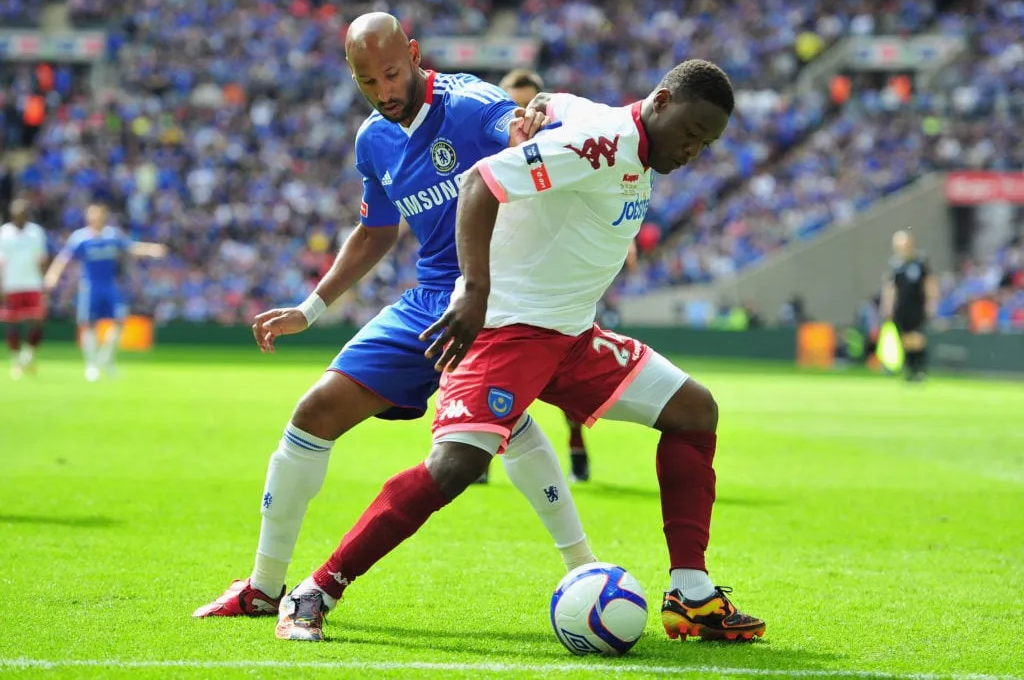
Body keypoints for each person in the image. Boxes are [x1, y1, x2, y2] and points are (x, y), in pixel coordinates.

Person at [276, 59, 766, 644]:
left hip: (572, 338)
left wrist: (538, 108)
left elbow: (558, 101)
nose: (693, 150)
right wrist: (475, 292)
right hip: (507, 330)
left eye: (705, 143)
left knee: (695, 412)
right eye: (690, 132)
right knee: (454, 468)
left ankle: (690, 594)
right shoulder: (601, 144)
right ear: (661, 101)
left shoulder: (615, 131)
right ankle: (316, 589)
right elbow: (481, 182)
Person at [193, 13, 596, 620]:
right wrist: (311, 308)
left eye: (391, 73)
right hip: (429, 300)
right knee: (314, 413)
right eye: (367, 81)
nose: (384, 91)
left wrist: (530, 123)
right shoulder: (372, 140)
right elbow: (375, 231)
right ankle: (262, 587)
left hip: (494, 299)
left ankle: (585, 574)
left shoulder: (469, 103)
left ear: (413, 54)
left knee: (504, 427)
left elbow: (513, 126)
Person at [487, 67, 640, 484]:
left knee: (565, 368)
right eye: (509, 104)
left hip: (559, 279)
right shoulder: (491, 146)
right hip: (507, 276)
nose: (518, 112)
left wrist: (621, 238)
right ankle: (478, 454)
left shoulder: (567, 150)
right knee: (490, 367)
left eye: (525, 103)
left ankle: (576, 446)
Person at [43, 203, 166, 381]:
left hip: (110, 285)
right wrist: (52, 275)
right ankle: (91, 365)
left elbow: (130, 247)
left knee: (120, 321)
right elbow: (64, 258)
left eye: (99, 214)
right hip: (90, 286)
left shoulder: (112, 235)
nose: (96, 218)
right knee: (89, 324)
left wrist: (151, 249)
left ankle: (106, 358)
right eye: (92, 215)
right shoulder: (80, 238)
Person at [881, 230, 938, 381]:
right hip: (901, 307)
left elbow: (929, 283)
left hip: (917, 305)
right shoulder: (896, 265)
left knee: (917, 337)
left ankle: (919, 368)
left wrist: (931, 302)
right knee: (905, 338)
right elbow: (891, 287)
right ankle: (910, 369)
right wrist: (888, 306)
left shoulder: (920, 262)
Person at [0, 199, 48, 379]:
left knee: (38, 320)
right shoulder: (4, 233)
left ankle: (27, 355)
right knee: (12, 323)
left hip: (32, 284)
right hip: (12, 285)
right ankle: (16, 360)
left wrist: (43, 283)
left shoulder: (36, 232)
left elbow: (41, 259)